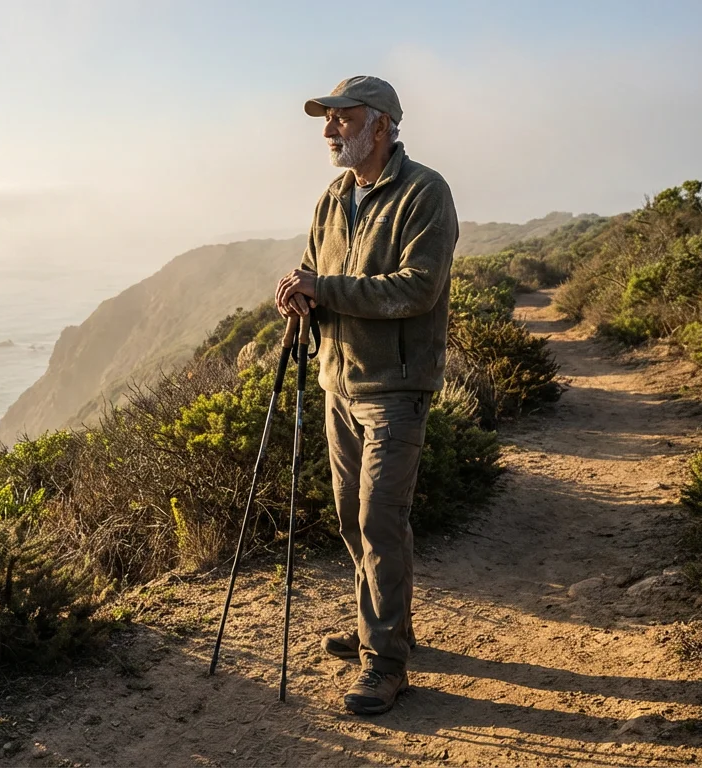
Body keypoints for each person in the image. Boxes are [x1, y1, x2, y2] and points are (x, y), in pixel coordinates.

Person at [275, 75, 458, 715]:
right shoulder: (333, 196)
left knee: (380, 520)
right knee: (354, 517)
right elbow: (315, 266)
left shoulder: (425, 192)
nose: (329, 131)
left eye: (343, 120)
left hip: (395, 388)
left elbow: (417, 288)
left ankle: (383, 661)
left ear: (381, 125)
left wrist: (326, 289)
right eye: (327, 120)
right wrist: (300, 293)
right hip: (338, 381)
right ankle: (386, 627)